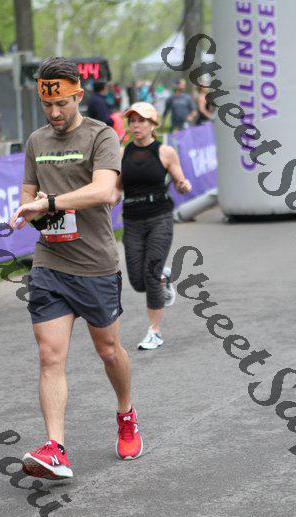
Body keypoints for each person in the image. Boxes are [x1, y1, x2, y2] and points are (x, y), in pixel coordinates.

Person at [9, 56, 143, 480]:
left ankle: (125, 413)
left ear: (78, 95)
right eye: (47, 104)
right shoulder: (36, 142)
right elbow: (27, 192)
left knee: (109, 351)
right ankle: (55, 448)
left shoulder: (101, 135)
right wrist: (28, 210)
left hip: (95, 263)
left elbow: (104, 191)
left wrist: (50, 203)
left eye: (62, 103)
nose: (54, 112)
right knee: (49, 355)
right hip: (50, 261)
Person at [114, 102, 192, 350]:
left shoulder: (165, 152)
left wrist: (183, 186)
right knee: (138, 282)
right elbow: (116, 189)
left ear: (153, 125)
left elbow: (180, 180)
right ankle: (164, 277)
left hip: (160, 218)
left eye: (142, 121)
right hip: (132, 221)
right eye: (132, 121)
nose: (136, 125)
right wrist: (105, 200)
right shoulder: (121, 153)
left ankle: (154, 331)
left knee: (150, 274)